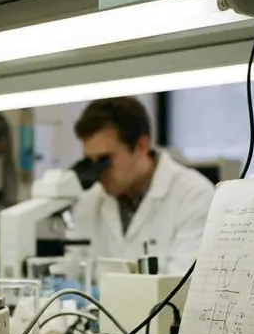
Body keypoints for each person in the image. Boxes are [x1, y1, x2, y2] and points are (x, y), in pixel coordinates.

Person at [71, 97, 215, 274]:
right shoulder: (89, 202)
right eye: (90, 162)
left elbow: (182, 287)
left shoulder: (194, 196)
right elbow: (73, 274)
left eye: (104, 160)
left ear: (141, 146)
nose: (98, 173)